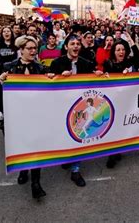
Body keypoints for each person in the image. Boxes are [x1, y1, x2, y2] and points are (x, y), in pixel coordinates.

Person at [0, 36, 47, 199]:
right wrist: (1, 82)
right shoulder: (8, 68)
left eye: (35, 48)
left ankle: (36, 183)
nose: (33, 51)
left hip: (35, 116)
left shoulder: (40, 69)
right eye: (30, 48)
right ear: (21, 49)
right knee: (19, 145)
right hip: (15, 118)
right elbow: (2, 95)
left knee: (36, 148)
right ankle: (23, 169)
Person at [49, 35, 101, 187]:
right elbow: (49, 81)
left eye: (78, 44)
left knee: (77, 134)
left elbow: (95, 78)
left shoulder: (86, 63)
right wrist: (58, 77)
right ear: (66, 47)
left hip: (81, 107)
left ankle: (75, 170)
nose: (76, 46)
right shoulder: (57, 62)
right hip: (62, 105)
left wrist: (97, 74)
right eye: (72, 43)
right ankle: (67, 157)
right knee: (64, 133)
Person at [103, 34, 139, 168]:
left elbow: (138, 58)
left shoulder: (129, 62)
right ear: (114, 51)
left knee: (122, 125)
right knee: (113, 126)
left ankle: (118, 149)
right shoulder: (108, 63)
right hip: (113, 100)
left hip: (127, 100)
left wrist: (131, 41)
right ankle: (111, 154)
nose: (121, 52)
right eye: (118, 50)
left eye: (123, 49)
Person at [0, 26, 18, 122]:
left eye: (8, 31)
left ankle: (13, 110)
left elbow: (19, 58)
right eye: (4, 31)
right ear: (2, 34)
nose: (6, 33)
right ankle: (1, 112)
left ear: (11, 33)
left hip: (13, 71)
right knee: (1, 91)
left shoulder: (16, 45)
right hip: (1, 71)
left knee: (13, 91)